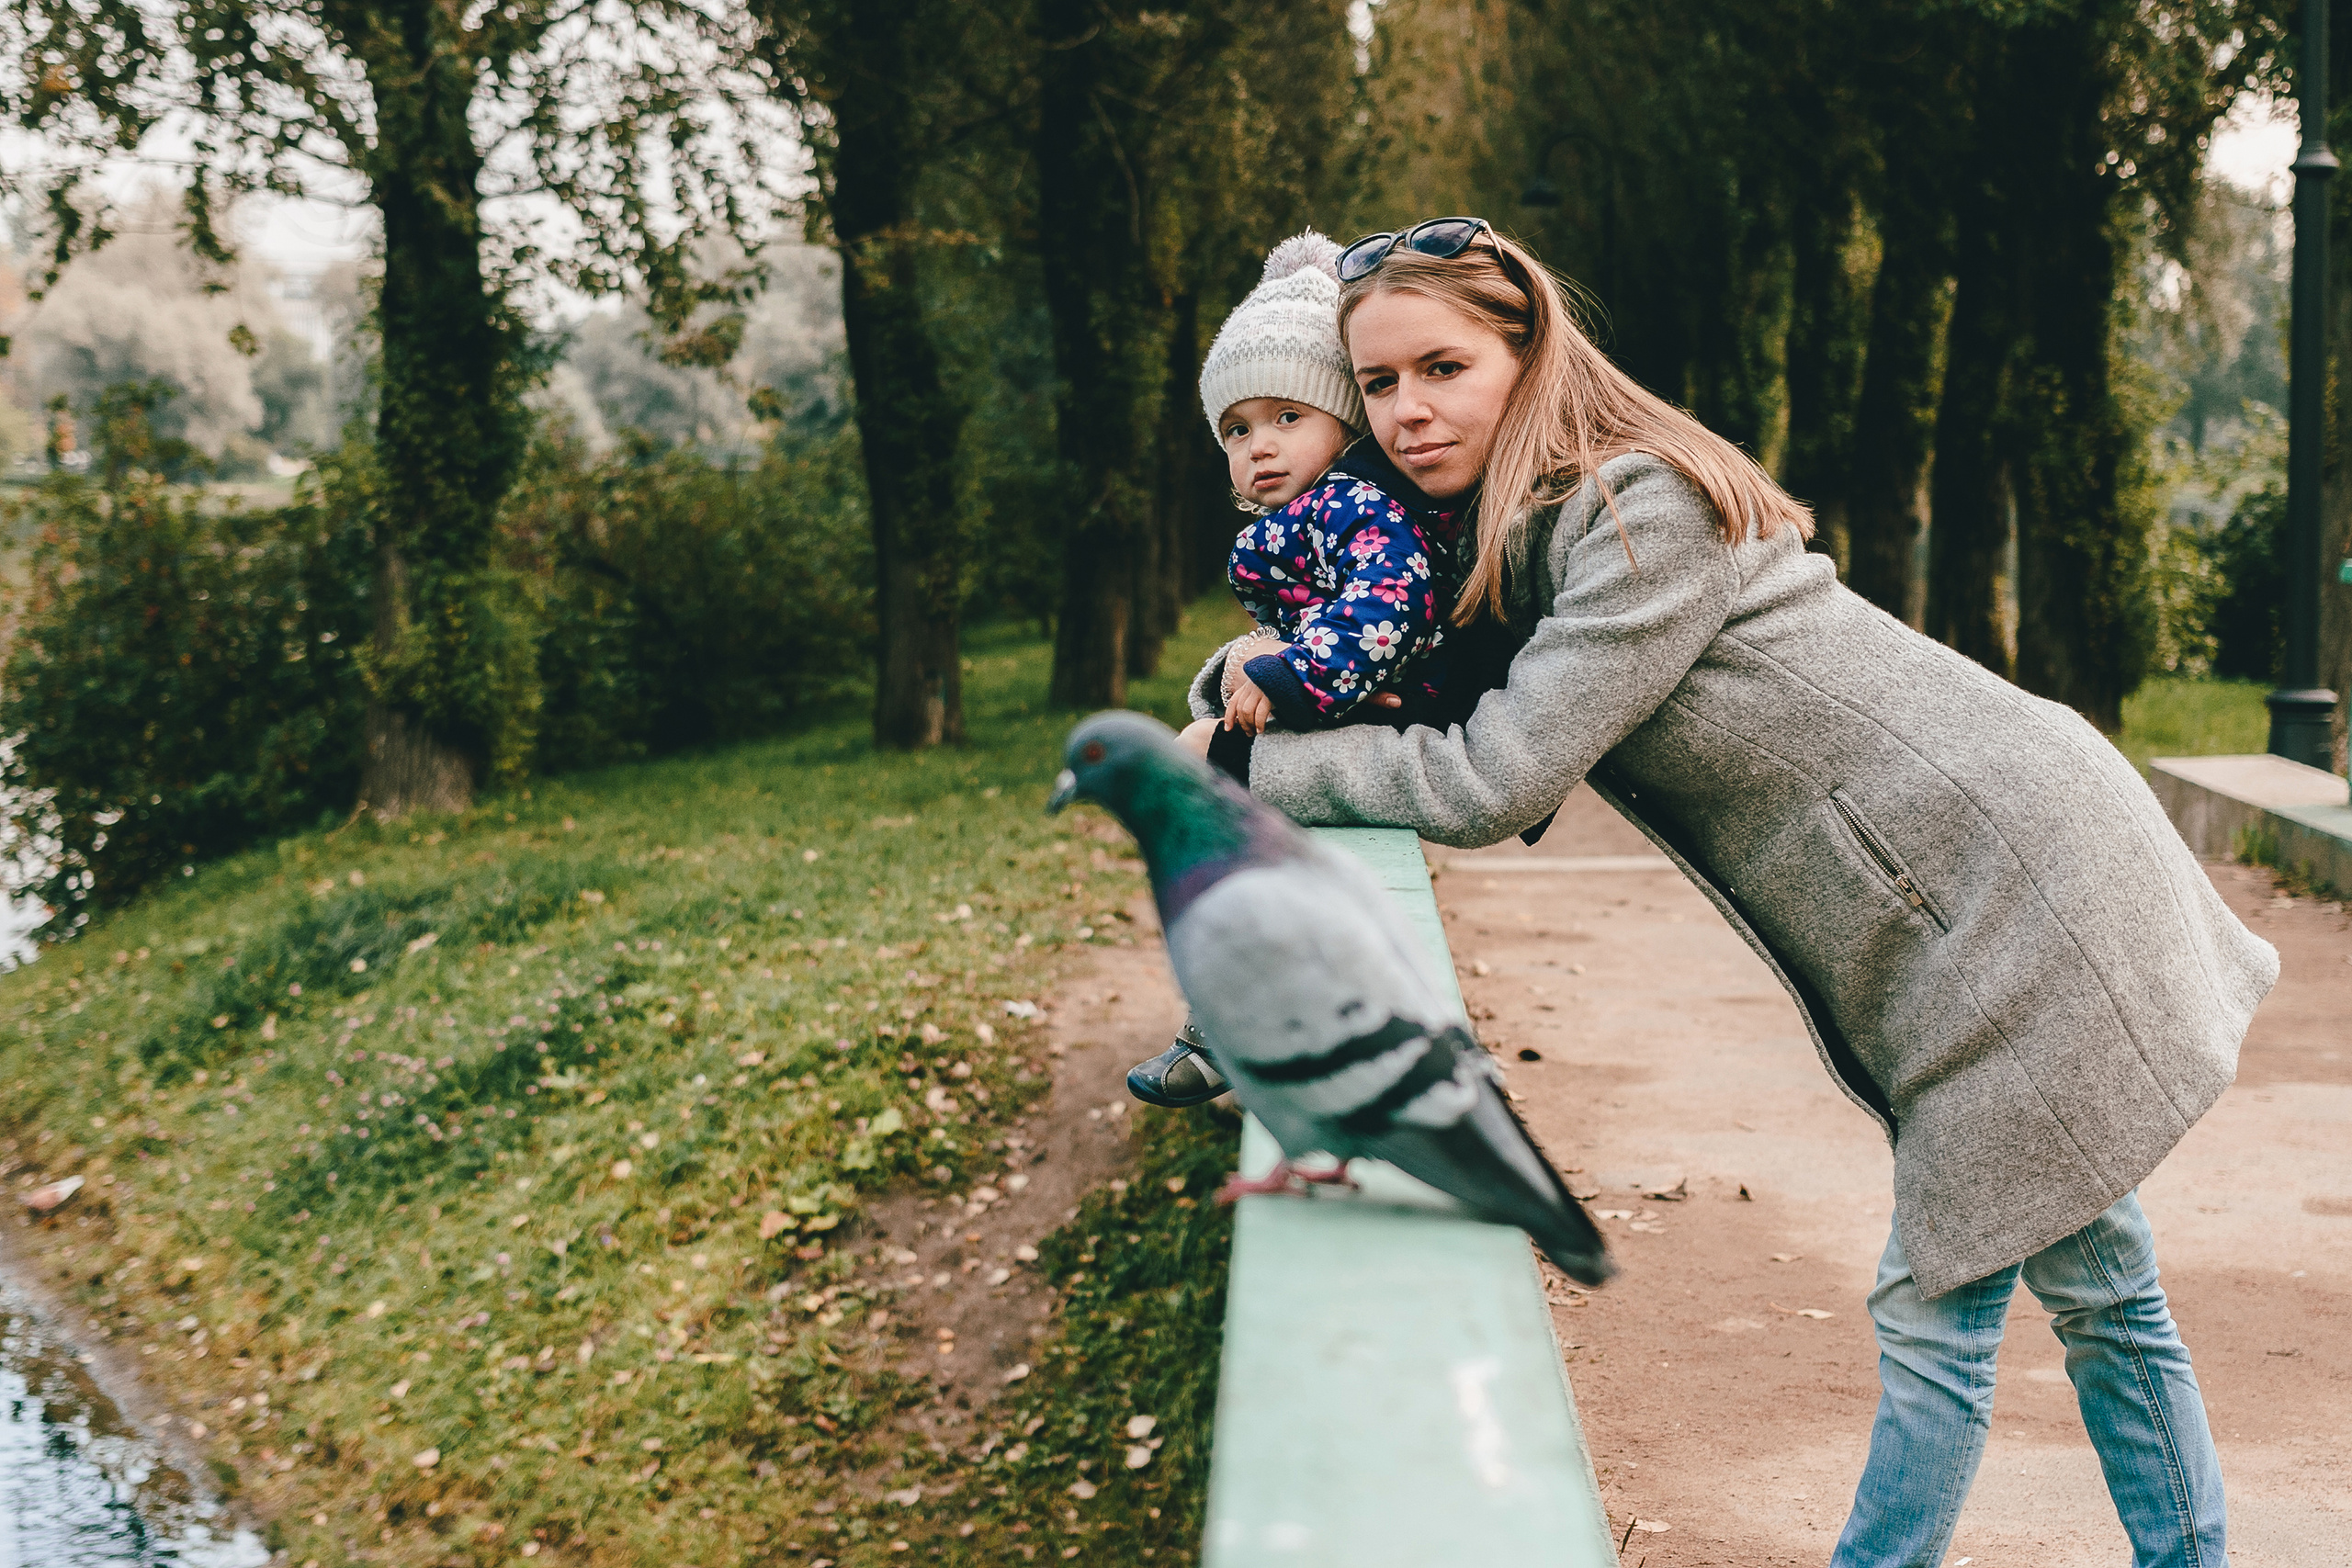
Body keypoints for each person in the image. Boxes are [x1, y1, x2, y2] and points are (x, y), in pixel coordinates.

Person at [1180, 215, 2275, 1568]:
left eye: (1444, 368)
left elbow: (1490, 777)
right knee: (2103, 1285)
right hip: (1961, 899)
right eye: (1380, 383)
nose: (1409, 411)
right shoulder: (1511, 541)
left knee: (1936, 1298)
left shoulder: (1637, 512)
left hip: (2012, 880)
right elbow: (1381, 665)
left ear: (1528, 354)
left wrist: (1246, 764)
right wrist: (1246, 691)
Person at [1130, 229, 1508, 1110]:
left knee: (1205, 786)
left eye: (1287, 418)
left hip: (1391, 694)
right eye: (1237, 428)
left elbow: (1392, 601)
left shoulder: (1356, 502)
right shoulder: (1311, 509)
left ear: (1344, 420)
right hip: (1348, 691)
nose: (1259, 446)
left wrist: (1294, 674)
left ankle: (1235, 1020)